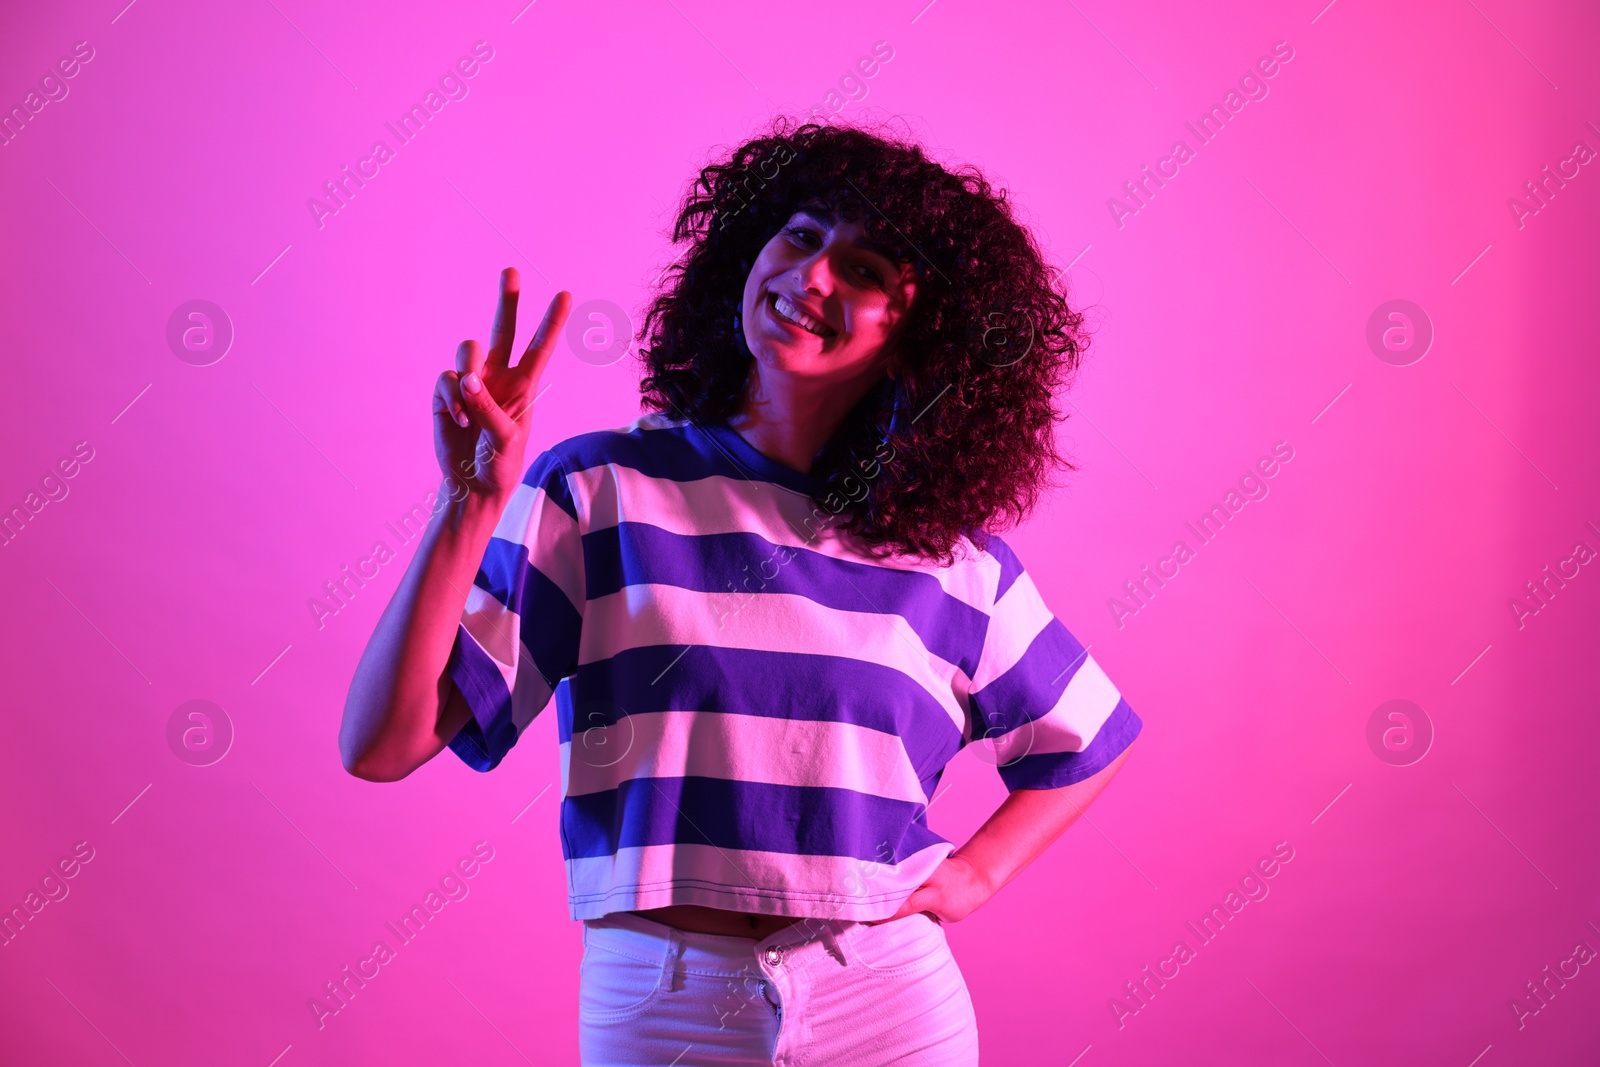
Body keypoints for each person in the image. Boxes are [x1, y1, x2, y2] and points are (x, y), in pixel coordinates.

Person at [339, 119, 1142, 1066]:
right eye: (800, 236)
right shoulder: (599, 490)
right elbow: (382, 745)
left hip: (887, 1004)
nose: (812, 276)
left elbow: (1086, 740)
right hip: (662, 1004)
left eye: (868, 268)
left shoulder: (952, 564)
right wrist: (466, 507)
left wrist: (975, 873)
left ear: (918, 340)